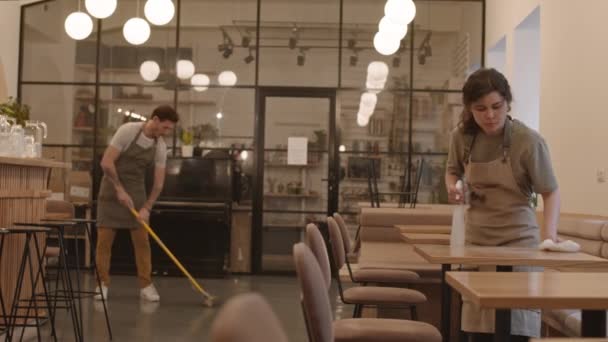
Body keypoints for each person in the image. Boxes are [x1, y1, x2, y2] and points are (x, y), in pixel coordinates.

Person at [445, 68, 560, 341]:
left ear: (508, 102)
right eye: (480, 108)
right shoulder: (462, 137)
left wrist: (550, 238)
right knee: (478, 329)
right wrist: (454, 187)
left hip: (519, 244)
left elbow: (551, 191)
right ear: (470, 109)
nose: (490, 115)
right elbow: (452, 171)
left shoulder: (528, 141)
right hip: (477, 243)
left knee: (515, 328)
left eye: (496, 106)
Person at [95, 105, 179, 302]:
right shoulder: (128, 131)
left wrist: (147, 207)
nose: (167, 132)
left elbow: (158, 183)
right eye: (165, 127)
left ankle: (146, 285)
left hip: (136, 193)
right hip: (111, 190)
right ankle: (102, 284)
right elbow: (106, 162)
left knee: (142, 243)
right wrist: (119, 189)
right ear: (155, 119)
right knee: (104, 243)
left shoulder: (159, 146)